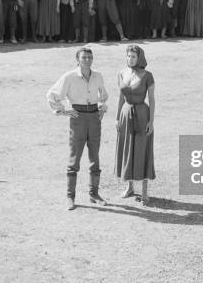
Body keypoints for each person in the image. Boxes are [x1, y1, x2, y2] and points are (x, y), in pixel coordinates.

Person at [46, 47, 109, 211]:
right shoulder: (69, 77)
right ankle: (70, 196)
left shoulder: (98, 76)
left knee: (95, 156)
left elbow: (103, 96)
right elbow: (52, 95)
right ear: (78, 60)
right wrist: (63, 111)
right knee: (74, 157)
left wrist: (101, 109)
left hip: (94, 118)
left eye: (89, 57)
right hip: (78, 118)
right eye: (84, 58)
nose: (87, 60)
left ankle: (94, 194)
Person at [115, 45, 155, 205]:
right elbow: (120, 97)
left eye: (133, 56)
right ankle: (130, 186)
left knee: (142, 149)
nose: (130, 59)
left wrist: (151, 121)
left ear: (140, 58)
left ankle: (145, 191)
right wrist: (117, 118)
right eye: (128, 56)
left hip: (142, 115)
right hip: (125, 114)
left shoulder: (148, 76)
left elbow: (152, 99)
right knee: (127, 149)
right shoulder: (122, 73)